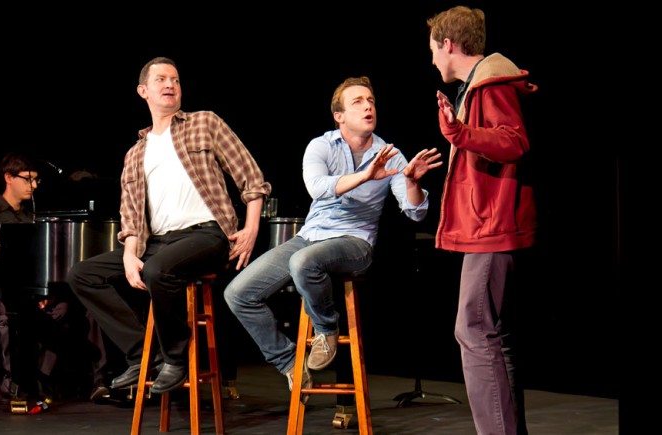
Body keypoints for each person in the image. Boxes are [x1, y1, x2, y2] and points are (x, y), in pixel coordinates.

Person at [223, 76, 442, 400]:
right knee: (238, 293)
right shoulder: (321, 146)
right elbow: (318, 187)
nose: (368, 106)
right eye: (358, 101)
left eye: (371, 100)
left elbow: (416, 212)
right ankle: (289, 364)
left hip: (355, 242)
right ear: (339, 115)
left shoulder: (390, 155)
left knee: (303, 263)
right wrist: (366, 175)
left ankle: (326, 328)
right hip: (310, 236)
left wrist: (410, 181)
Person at [67, 56, 271, 395]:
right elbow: (130, 213)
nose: (170, 85)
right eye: (161, 79)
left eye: (175, 80)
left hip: (207, 234)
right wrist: (130, 253)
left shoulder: (204, 123)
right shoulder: (135, 154)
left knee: (158, 270)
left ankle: (175, 357)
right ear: (143, 91)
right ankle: (141, 357)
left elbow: (251, 177)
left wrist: (250, 229)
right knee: (83, 275)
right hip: (158, 242)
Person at [427, 6, 538, 434]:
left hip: (493, 225)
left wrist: (461, 134)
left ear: (448, 45)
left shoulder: (490, 84)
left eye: (433, 49)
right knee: (492, 335)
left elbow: (514, 142)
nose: (432, 59)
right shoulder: (478, 86)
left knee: (473, 330)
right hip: (490, 223)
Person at [0, 153, 104, 403]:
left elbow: (44, 264)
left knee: (82, 308)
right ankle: (13, 383)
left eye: (36, 180)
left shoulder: (34, 217)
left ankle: (96, 381)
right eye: (28, 179)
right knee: (12, 313)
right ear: (9, 178)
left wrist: (47, 294)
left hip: (34, 292)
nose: (34, 186)